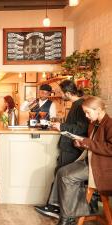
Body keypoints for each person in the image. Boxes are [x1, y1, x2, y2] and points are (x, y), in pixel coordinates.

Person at [53, 96, 112, 225]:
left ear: (98, 110)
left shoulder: (110, 124)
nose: (86, 116)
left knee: (67, 177)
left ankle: (67, 217)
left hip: (102, 168)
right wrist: (80, 143)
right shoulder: (94, 124)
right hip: (91, 162)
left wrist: (86, 142)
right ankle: (66, 212)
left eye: (88, 112)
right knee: (61, 172)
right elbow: (92, 143)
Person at [35, 80, 89, 219]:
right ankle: (54, 207)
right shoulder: (76, 104)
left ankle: (58, 209)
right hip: (69, 147)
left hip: (73, 148)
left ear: (69, 93)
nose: (58, 94)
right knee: (59, 173)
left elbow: (82, 128)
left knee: (63, 176)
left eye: (60, 92)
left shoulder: (80, 105)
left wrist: (62, 126)